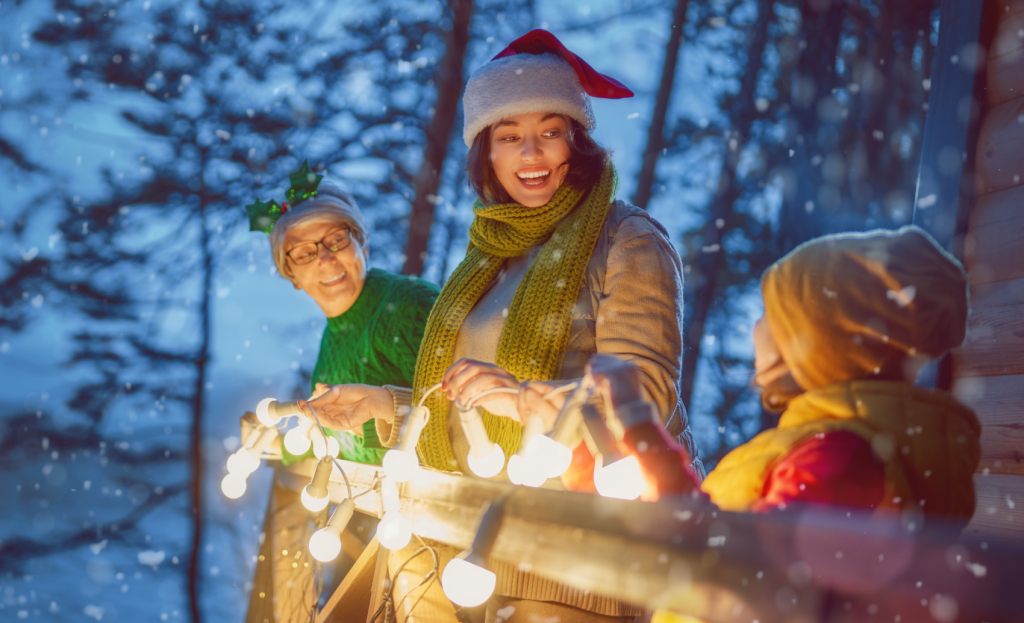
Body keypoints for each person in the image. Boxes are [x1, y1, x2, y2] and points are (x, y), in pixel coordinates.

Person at [305, 29, 701, 623]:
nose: (531, 155)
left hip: (568, 553)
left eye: (549, 132)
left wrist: (521, 399)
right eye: (509, 137)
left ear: (577, 142)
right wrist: (385, 406)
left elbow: (643, 397)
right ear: (485, 153)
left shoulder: (626, 239)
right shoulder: (486, 257)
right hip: (453, 545)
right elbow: (474, 411)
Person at [591, 226, 980, 522]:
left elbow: (734, 564)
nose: (755, 328)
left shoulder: (840, 457)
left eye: (770, 314)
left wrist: (636, 419)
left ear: (820, 338)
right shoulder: (836, 444)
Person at [261, 169, 439, 464]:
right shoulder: (330, 347)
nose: (325, 258)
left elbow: (457, 416)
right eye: (304, 253)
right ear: (291, 275)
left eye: (336, 240)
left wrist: (387, 407)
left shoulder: (409, 306)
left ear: (361, 244)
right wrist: (279, 445)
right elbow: (334, 444)